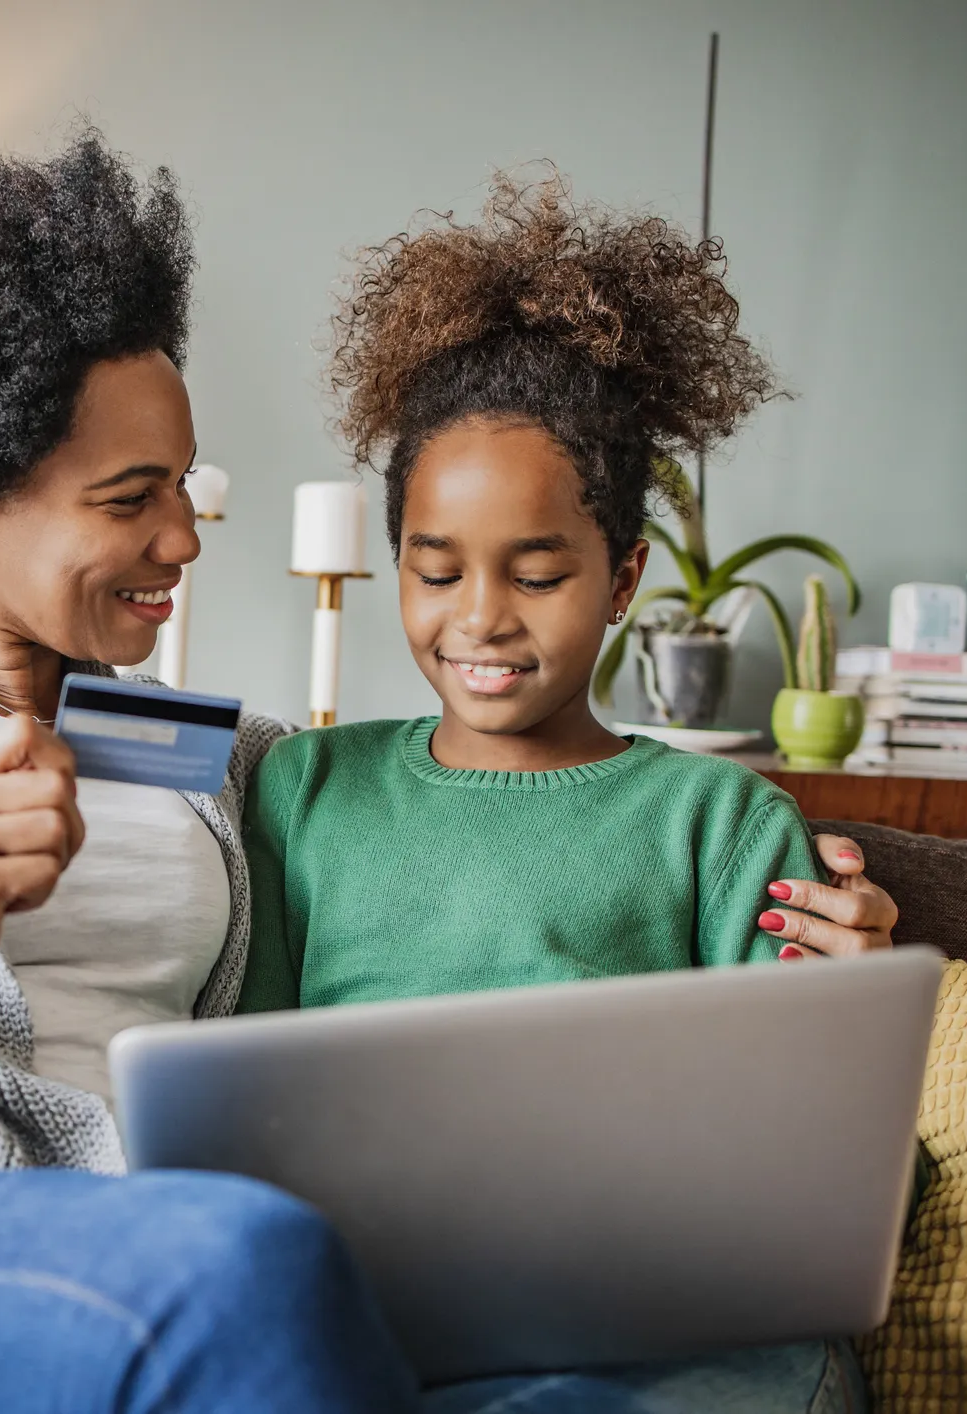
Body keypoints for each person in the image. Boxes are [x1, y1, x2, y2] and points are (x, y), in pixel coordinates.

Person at [0, 133, 899, 1414]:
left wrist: (825, 984)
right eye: (129, 499)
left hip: (177, 1241)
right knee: (249, 1264)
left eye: (182, 482)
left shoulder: (228, 763)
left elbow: (459, 873)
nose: (184, 536)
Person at [238, 172, 882, 1410]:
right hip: (381, 1307)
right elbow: (244, 1096)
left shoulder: (721, 823)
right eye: (436, 571)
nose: (478, 618)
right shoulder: (303, 787)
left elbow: (810, 1171)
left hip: (658, 1324)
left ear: (624, 573)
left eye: (538, 574)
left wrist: (846, 1020)